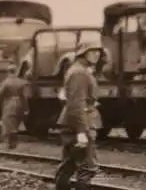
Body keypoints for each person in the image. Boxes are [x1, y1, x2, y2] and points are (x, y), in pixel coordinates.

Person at [55, 41, 103, 190]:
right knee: (87, 167)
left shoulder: (78, 70)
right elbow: (76, 104)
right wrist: (82, 131)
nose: (97, 54)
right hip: (79, 123)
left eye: (98, 51)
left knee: (69, 164)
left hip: (73, 122)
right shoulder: (79, 73)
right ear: (83, 53)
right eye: (92, 51)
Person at [0, 63, 31, 149]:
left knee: (8, 122)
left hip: (9, 103)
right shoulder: (22, 82)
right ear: (16, 72)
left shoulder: (5, 83)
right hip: (20, 103)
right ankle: (14, 143)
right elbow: (24, 97)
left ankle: (10, 144)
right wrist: (26, 109)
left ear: (8, 72)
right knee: (16, 123)